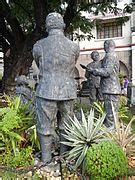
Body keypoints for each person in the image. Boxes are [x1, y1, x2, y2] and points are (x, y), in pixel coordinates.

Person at [32, 12, 80, 168]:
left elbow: (39, 65)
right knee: (66, 125)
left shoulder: (39, 45)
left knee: (45, 126)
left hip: (46, 90)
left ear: (47, 27)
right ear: (63, 26)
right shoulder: (74, 46)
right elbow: (72, 65)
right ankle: (64, 156)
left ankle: (46, 159)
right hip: (68, 91)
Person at [88, 40, 121, 127]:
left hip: (110, 88)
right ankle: (111, 128)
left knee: (111, 111)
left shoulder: (110, 56)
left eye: (104, 45)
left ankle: (111, 131)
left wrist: (94, 71)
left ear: (107, 45)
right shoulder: (112, 55)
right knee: (110, 110)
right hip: (110, 88)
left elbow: (107, 72)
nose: (103, 47)